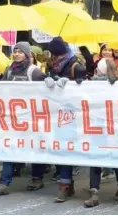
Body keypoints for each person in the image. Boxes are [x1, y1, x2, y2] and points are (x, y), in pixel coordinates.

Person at [0, 42, 47, 196]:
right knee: (9, 147)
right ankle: (4, 182)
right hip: (14, 119)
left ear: (27, 54)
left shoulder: (33, 72)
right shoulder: (9, 70)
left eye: (20, 52)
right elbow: (3, 89)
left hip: (31, 118)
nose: (16, 54)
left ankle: (37, 178)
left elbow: (45, 92)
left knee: (35, 148)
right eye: (15, 51)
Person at [44, 37, 86, 203]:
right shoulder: (51, 66)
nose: (56, 58)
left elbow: (85, 89)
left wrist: (71, 83)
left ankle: (66, 185)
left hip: (73, 115)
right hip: (55, 113)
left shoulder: (77, 66)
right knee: (59, 149)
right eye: (54, 55)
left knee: (67, 150)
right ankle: (66, 184)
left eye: (58, 54)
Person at [83, 58, 118, 208]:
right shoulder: (92, 84)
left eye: (98, 69)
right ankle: (94, 191)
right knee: (95, 157)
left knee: (115, 157)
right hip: (97, 125)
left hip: (113, 126)